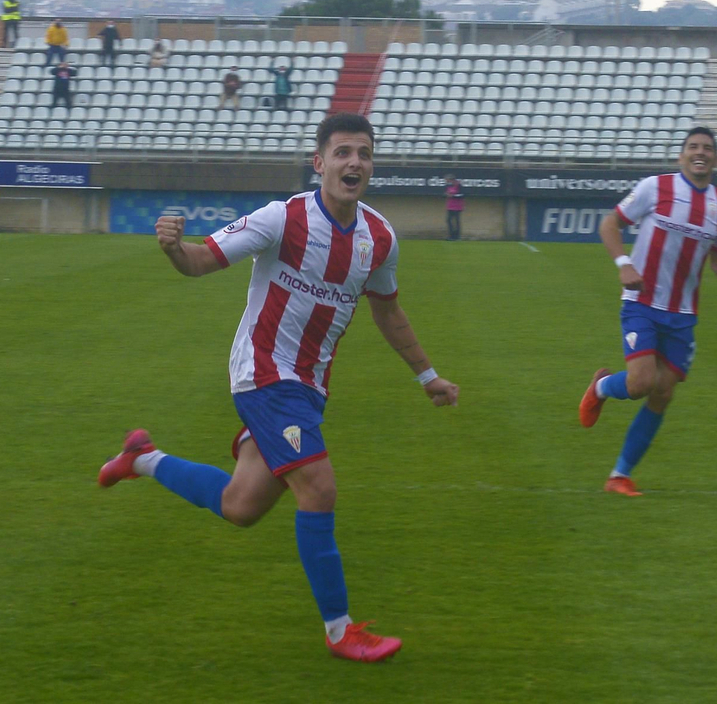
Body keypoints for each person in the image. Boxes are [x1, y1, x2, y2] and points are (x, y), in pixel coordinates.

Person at [97, 112, 458, 663]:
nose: (353, 162)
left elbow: (388, 312)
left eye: (363, 153)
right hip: (263, 374)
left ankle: (142, 457)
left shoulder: (379, 238)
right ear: (319, 164)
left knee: (240, 506)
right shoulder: (281, 218)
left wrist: (428, 375)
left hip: (309, 388)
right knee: (319, 488)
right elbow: (199, 261)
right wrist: (173, 247)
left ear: (371, 165)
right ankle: (341, 632)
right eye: (341, 152)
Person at [578, 126, 717, 496]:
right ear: (681, 155)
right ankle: (600, 388)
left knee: (663, 392)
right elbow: (610, 223)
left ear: (716, 158)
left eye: (708, 148)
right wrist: (623, 263)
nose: (701, 152)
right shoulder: (655, 187)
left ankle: (619, 476)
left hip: (682, 314)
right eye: (693, 147)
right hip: (642, 303)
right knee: (640, 383)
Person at [444, 173, 464, 240]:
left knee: (456, 221)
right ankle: (451, 236)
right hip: (450, 206)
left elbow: (462, 194)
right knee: (449, 220)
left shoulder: (459, 185)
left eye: (447, 180)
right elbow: (447, 193)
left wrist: (453, 196)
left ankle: (457, 236)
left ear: (451, 180)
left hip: (457, 206)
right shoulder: (448, 186)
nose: (446, 181)